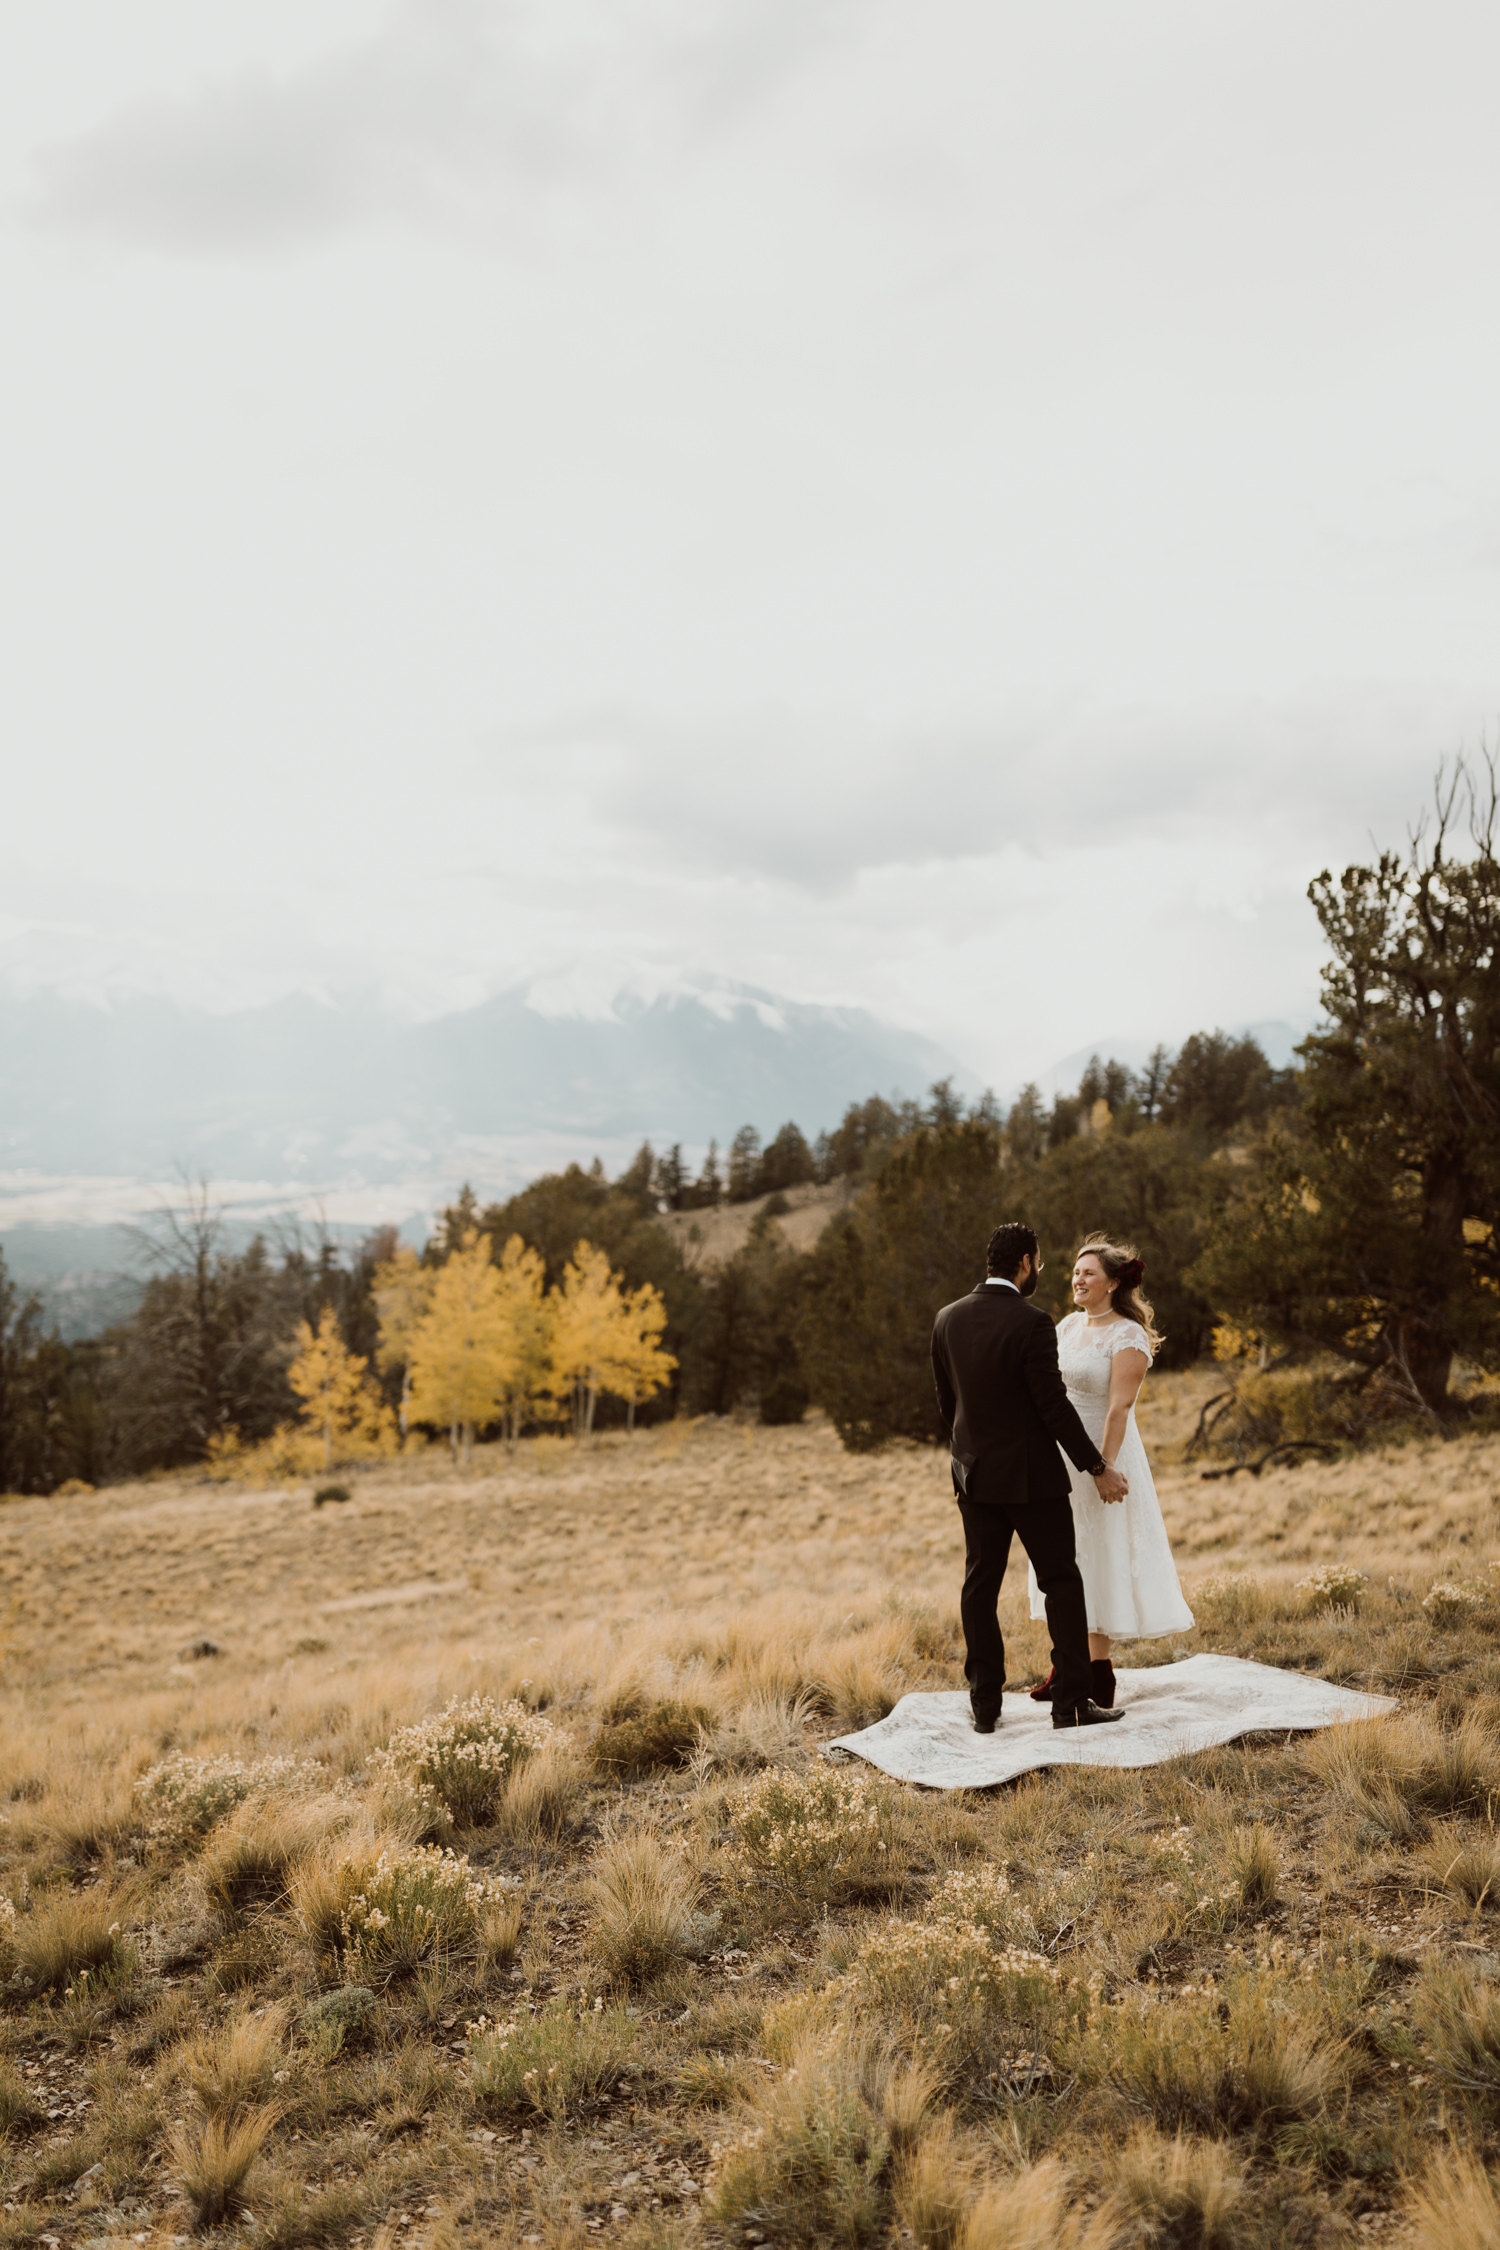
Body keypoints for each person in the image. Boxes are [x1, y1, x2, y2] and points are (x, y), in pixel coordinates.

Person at [931, 1221, 1127, 1732]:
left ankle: (984, 1707)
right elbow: (1053, 1408)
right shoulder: (1032, 1322)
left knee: (979, 1587)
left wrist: (966, 1460)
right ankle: (1071, 1705)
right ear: (1023, 1263)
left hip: (973, 1478)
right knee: (1062, 1582)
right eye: (1037, 1263)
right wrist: (1097, 1465)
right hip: (1032, 1481)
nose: (1038, 1271)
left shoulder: (946, 1319)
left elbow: (947, 1406)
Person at [1027, 1235, 1194, 1709]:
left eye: (1089, 1273)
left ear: (1114, 1282)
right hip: (1063, 1456)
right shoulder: (1065, 1327)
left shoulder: (1128, 1335)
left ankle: (1097, 1675)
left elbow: (1119, 1408)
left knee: (1098, 1557)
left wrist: (1103, 1468)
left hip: (1106, 1455)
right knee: (1066, 1557)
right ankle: (1067, 1667)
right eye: (1075, 1272)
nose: (1078, 1279)